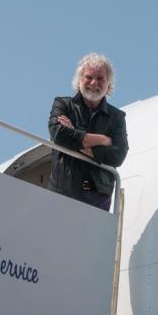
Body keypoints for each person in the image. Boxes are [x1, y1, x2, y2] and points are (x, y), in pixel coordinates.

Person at [47, 53, 128, 211]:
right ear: (79, 80)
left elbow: (118, 155)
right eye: (88, 77)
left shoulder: (117, 117)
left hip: (97, 196)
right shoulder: (62, 104)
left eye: (100, 79)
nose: (93, 83)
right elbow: (58, 134)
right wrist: (102, 140)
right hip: (62, 191)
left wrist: (74, 135)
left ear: (108, 84)